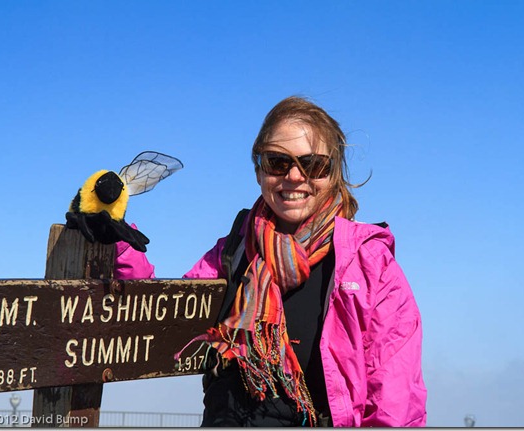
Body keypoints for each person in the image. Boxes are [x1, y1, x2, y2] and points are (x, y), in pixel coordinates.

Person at [115, 96, 427, 427]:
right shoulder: (234, 248)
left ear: (334, 174)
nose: (294, 176)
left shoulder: (368, 262)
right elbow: (164, 315)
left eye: (313, 164)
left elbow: (395, 398)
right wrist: (116, 240)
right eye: (278, 162)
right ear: (259, 170)